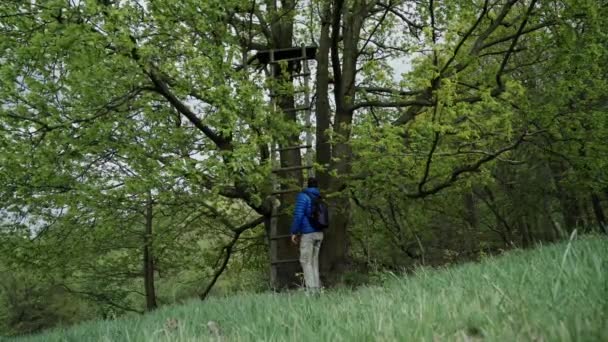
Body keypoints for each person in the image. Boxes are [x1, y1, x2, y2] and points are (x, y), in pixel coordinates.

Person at [290, 177, 323, 291]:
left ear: (307, 185)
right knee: (314, 261)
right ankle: (317, 288)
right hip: (319, 233)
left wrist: (294, 232)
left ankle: (311, 290)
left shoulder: (303, 197)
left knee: (305, 261)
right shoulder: (319, 197)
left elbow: (298, 215)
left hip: (308, 234)